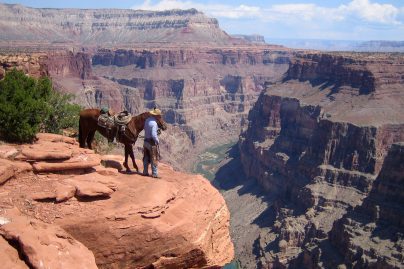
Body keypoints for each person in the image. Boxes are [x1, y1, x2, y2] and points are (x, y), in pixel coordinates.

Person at [143, 108, 163, 178]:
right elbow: (153, 134)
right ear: (156, 116)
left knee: (146, 157)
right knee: (154, 157)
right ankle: (154, 174)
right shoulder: (154, 123)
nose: (160, 117)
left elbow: (145, 129)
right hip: (151, 143)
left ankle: (145, 172)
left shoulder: (147, 120)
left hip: (145, 141)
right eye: (159, 116)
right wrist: (157, 140)